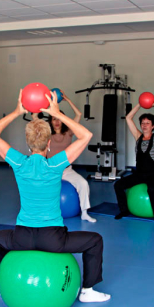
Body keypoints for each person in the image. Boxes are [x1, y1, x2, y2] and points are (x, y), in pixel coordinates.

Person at [0, 90, 110, 303]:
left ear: (27, 144)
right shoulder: (56, 164)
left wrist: (17, 112)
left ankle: (4, 281)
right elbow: (86, 136)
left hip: (22, 237)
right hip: (53, 239)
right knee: (95, 240)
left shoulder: (19, 162)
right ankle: (87, 291)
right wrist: (58, 114)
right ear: (49, 144)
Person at [114, 100, 154, 224]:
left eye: (147, 123)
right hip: (140, 174)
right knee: (118, 185)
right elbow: (129, 118)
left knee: (151, 189)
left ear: (153, 126)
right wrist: (139, 105)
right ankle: (124, 210)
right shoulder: (137, 136)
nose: (144, 125)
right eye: (142, 123)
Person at [47, 90, 96, 223]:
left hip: (66, 170)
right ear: (50, 121)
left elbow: (78, 114)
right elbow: (35, 119)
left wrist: (67, 100)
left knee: (83, 184)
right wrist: (48, 104)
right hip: (50, 170)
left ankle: (84, 213)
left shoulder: (69, 131)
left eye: (59, 119)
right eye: (54, 119)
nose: (57, 122)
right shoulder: (46, 134)